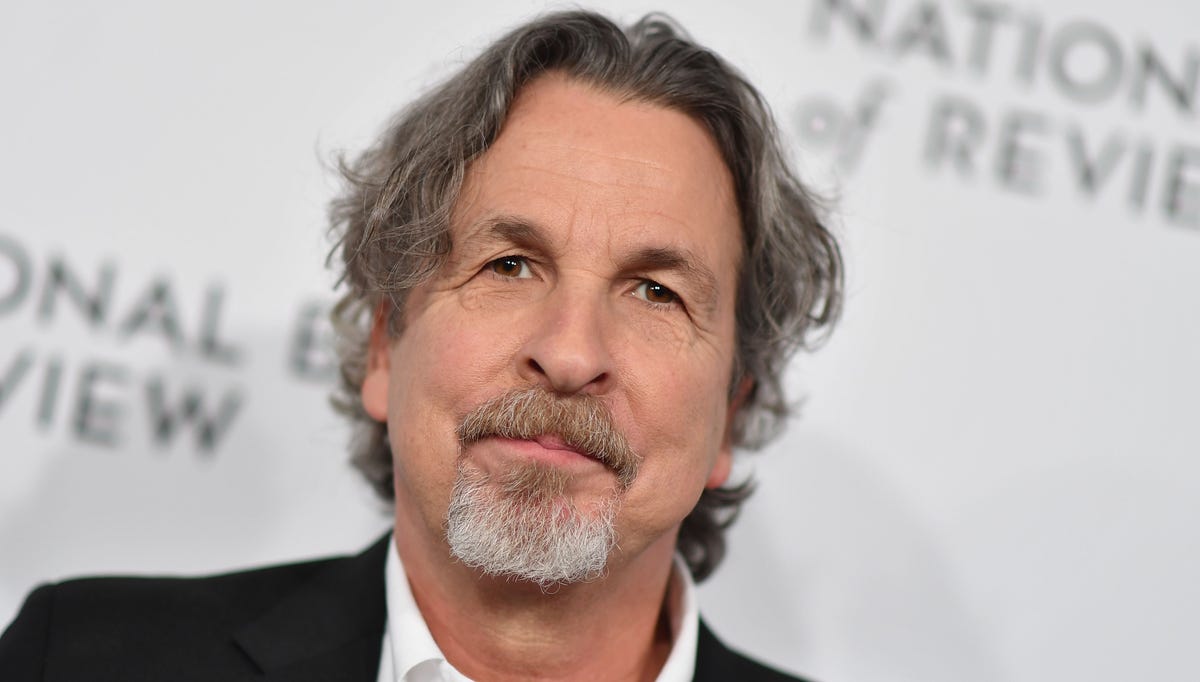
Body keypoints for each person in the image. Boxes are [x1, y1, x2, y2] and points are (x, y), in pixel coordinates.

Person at [0, 10, 841, 681]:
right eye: (509, 265)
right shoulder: (76, 659)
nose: (570, 353)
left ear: (731, 414)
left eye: (656, 291)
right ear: (383, 348)